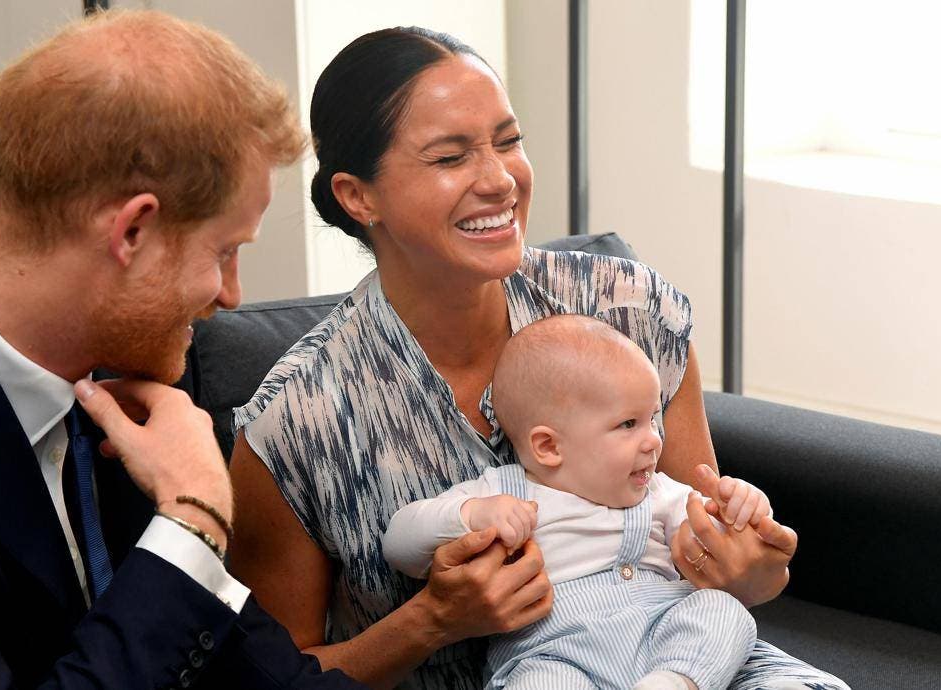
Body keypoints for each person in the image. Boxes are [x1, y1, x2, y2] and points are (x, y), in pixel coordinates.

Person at [227, 26, 848, 690]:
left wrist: (749, 569)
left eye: (509, 140)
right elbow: (270, 679)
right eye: (449, 157)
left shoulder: (630, 312)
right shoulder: (296, 422)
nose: (500, 180)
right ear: (359, 196)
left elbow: (701, 555)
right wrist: (433, 620)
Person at [0, 10, 362, 689]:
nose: (231, 295)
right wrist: (191, 524)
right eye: (226, 252)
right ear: (133, 232)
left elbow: (266, 676)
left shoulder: (131, 362)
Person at [383, 314, 773, 690]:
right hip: (555, 655)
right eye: (628, 424)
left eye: (653, 418)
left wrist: (741, 507)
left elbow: (719, 537)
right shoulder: (500, 494)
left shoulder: (658, 491)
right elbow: (399, 543)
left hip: (663, 640)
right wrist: (470, 514)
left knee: (725, 612)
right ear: (549, 446)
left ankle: (674, 683)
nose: (654, 439)